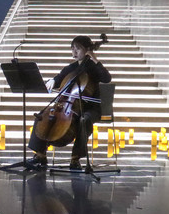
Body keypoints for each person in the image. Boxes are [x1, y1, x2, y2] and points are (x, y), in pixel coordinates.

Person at [27, 35, 112, 171]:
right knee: (42, 115)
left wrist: (94, 58)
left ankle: (75, 158)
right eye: (72, 48)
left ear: (87, 50)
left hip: (90, 108)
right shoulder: (71, 68)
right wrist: (52, 81)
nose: (74, 52)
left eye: (78, 48)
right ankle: (40, 155)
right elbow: (59, 78)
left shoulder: (93, 68)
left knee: (84, 120)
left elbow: (107, 78)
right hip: (70, 107)